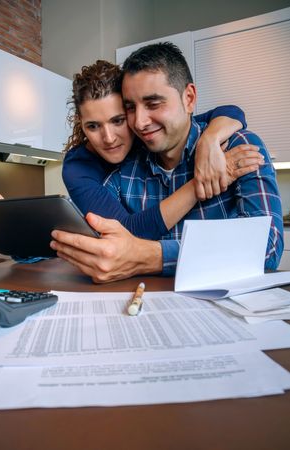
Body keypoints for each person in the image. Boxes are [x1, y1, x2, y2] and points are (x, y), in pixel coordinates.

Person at [50, 42, 283, 283]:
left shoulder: (237, 147)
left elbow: (268, 249)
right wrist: (198, 184)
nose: (139, 123)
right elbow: (115, 244)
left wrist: (209, 139)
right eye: (131, 107)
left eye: (153, 104)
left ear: (189, 98)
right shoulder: (118, 172)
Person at [62, 60, 251, 239]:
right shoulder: (77, 168)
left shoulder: (145, 131)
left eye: (118, 120)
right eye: (93, 126)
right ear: (81, 123)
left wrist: (209, 141)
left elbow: (230, 112)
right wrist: (200, 183)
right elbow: (125, 231)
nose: (109, 138)